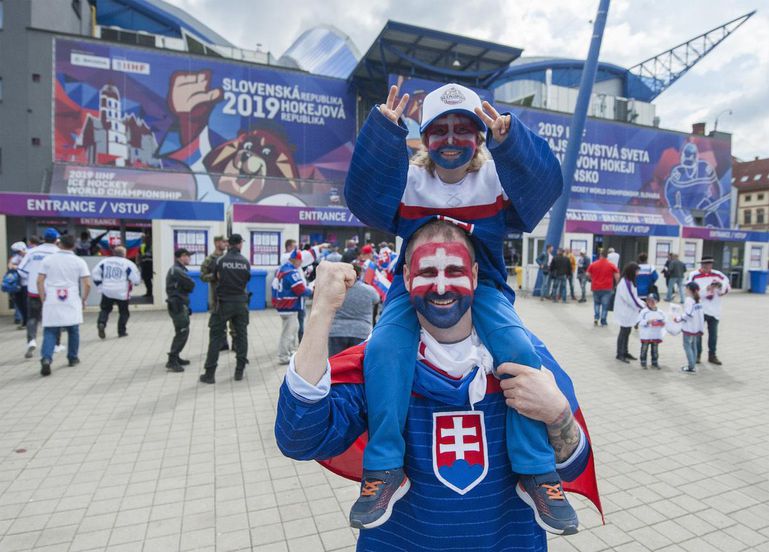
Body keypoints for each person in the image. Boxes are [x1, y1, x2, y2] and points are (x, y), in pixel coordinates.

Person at [276, 222, 598, 548]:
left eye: (455, 270)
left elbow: (572, 467)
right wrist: (321, 311)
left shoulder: (526, 359)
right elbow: (299, 437)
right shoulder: (378, 362)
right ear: (406, 277)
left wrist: (557, 414)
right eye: (428, 271)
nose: (441, 287)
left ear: (474, 275)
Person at [344, 83, 568, 529]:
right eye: (438, 130)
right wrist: (382, 135)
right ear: (424, 138)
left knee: (518, 350)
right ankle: (385, 466)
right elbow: (363, 202)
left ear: (480, 136)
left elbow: (546, 189)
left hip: (482, 287)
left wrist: (514, 142)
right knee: (386, 347)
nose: (450, 140)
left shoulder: (496, 179)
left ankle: (537, 470)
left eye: (462, 129)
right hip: (415, 287)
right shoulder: (408, 182)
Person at [37, 234, 91, 376]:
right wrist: (84, 299)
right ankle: (72, 358)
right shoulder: (79, 261)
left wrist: (43, 298)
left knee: (50, 330)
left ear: (59, 244)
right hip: (71, 297)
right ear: (73, 245)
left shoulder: (48, 260)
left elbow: (39, 280)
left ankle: (46, 358)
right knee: (73, 329)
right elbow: (87, 283)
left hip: (53, 297)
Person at [200, 234, 251, 384]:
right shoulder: (245, 262)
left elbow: (216, 276)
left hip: (223, 303)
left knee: (216, 337)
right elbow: (246, 279)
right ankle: (239, 371)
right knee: (241, 336)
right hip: (241, 303)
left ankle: (209, 374)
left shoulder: (220, 260)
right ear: (240, 244)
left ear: (229, 244)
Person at [18, 229, 62, 359]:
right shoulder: (58, 253)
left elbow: (21, 270)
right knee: (55, 318)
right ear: (56, 240)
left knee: (33, 318)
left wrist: (32, 276)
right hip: (52, 291)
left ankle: (31, 341)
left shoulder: (32, 252)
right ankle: (56, 345)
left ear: (44, 238)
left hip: (34, 290)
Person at [328, 263, 381, 357]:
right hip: (361, 332)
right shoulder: (369, 291)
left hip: (337, 331)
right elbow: (377, 300)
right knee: (356, 367)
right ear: (359, 274)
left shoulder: (335, 289)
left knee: (336, 365)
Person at [685, 256, 730, 365]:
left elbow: (726, 286)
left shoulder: (718, 274)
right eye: (704, 264)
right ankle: (697, 354)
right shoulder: (694, 275)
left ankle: (712, 355)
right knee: (698, 333)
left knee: (713, 334)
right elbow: (689, 290)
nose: (707, 266)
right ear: (701, 264)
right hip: (700, 309)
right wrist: (706, 290)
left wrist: (719, 286)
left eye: (709, 264)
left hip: (714, 309)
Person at [273, 248, 313, 365]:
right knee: (288, 333)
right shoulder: (292, 272)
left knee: (290, 330)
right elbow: (300, 289)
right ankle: (284, 356)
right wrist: (311, 290)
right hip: (289, 307)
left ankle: (288, 352)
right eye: (300, 261)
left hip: (283, 305)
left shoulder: (282, 268)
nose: (301, 264)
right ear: (296, 260)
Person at [92, 246, 141, 338]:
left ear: (114, 253)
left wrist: (100, 285)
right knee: (124, 312)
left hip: (107, 290)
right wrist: (136, 283)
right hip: (122, 291)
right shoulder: (127, 263)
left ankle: (101, 323)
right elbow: (136, 279)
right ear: (124, 254)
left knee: (105, 309)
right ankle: (121, 332)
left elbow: (95, 273)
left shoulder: (104, 262)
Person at [200, 235, 232, 351]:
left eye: (227, 242)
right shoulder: (209, 259)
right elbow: (202, 277)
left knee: (233, 322)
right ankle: (222, 344)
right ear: (217, 243)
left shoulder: (229, 258)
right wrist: (214, 276)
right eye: (224, 242)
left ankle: (235, 345)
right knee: (218, 323)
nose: (226, 244)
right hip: (216, 297)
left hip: (230, 296)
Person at [165, 248, 195, 371]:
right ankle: (172, 360)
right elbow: (191, 284)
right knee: (183, 331)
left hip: (179, 303)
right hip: (177, 304)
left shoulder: (177, 269)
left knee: (181, 331)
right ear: (181, 257)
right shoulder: (177, 270)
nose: (189, 258)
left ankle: (175, 356)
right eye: (187, 256)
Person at [614, 263, 643, 363]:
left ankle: (625, 351)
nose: (638, 273)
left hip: (628, 312)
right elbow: (630, 299)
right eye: (637, 271)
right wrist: (642, 306)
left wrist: (642, 304)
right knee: (624, 332)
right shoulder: (625, 283)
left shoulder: (629, 281)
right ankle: (620, 353)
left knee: (627, 332)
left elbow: (634, 297)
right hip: (624, 312)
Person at [586, 250, 619, 326]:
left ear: (600, 255)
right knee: (605, 305)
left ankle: (596, 318)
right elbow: (617, 276)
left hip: (595, 287)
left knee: (596, 303)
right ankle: (603, 320)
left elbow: (587, 274)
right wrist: (617, 284)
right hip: (607, 288)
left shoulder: (593, 264)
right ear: (607, 256)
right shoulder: (611, 265)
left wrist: (591, 279)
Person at [679, 282, 704, 373]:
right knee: (693, 345)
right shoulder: (698, 300)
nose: (685, 290)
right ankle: (693, 364)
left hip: (689, 327)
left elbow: (688, 314)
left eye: (686, 288)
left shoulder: (689, 300)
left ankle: (691, 366)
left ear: (689, 289)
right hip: (696, 327)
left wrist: (678, 318)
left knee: (687, 345)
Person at [637, 294, 666, 369]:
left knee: (655, 349)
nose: (651, 302)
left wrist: (662, 323)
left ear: (657, 301)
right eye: (649, 300)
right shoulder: (644, 312)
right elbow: (639, 322)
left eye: (653, 301)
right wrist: (647, 322)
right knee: (644, 348)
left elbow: (665, 321)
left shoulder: (660, 312)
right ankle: (643, 362)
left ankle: (654, 362)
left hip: (655, 334)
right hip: (646, 334)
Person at [7, 241, 28, 328]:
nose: (18, 253)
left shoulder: (29, 256)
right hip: (18, 284)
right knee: (19, 303)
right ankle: (23, 320)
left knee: (26, 303)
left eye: (19, 251)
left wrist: (17, 267)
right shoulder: (16, 257)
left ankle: (27, 321)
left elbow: (26, 270)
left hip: (27, 284)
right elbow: (10, 265)